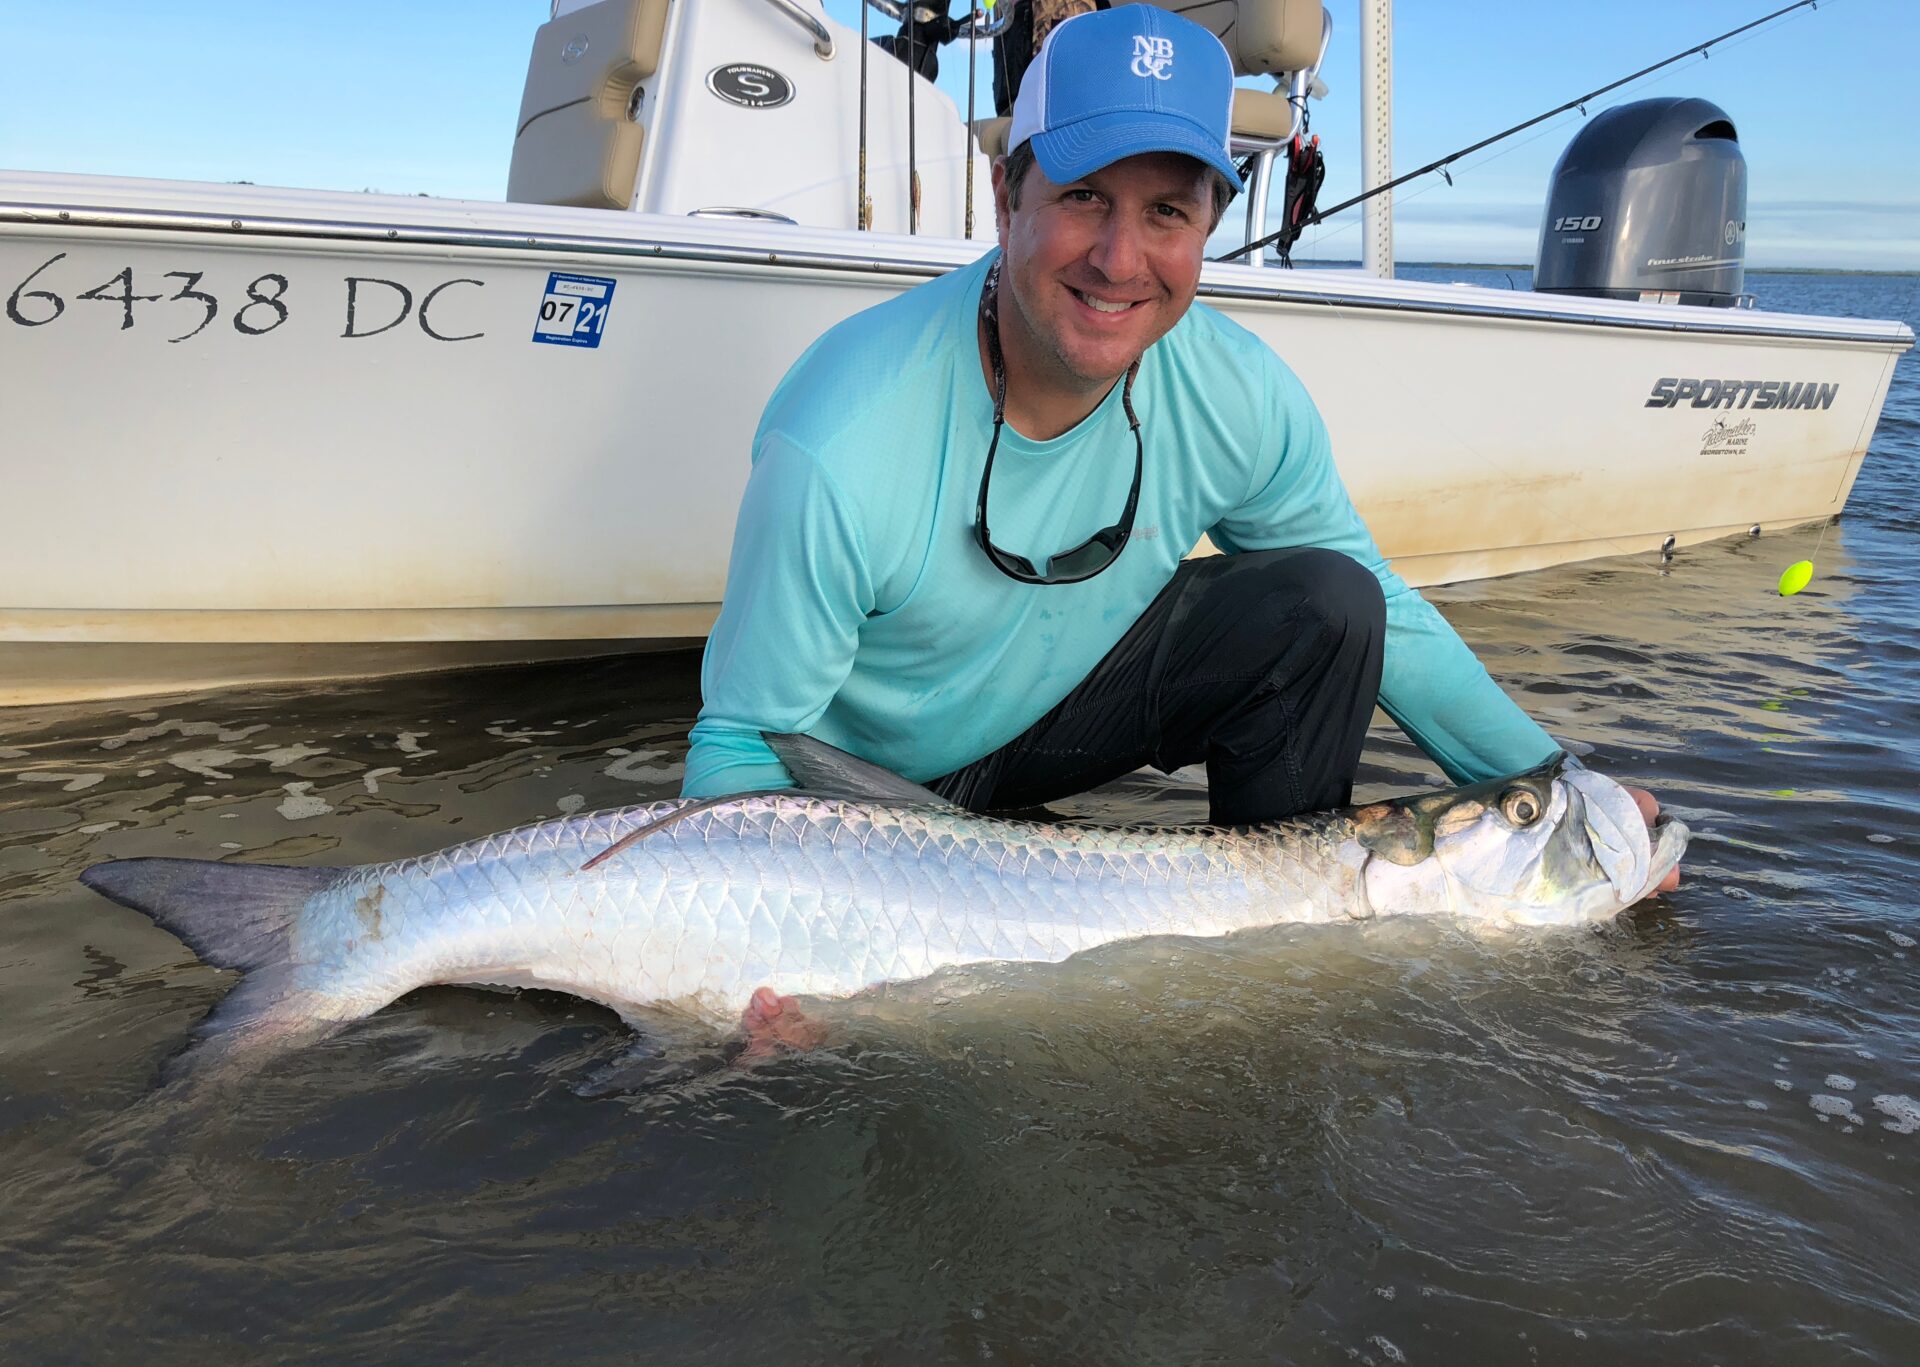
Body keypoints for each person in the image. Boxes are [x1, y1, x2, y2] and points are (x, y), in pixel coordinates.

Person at [684, 7, 1678, 905]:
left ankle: (1274, 929)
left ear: (1207, 224)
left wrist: (1565, 789)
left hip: (1052, 718)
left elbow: (1382, 609)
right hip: (875, 792)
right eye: (1083, 197)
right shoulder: (842, 435)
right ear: (1005, 194)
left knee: (1329, 601)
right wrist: (760, 933)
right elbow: (741, 746)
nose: (1119, 260)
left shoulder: (1235, 391)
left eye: (1166, 211)